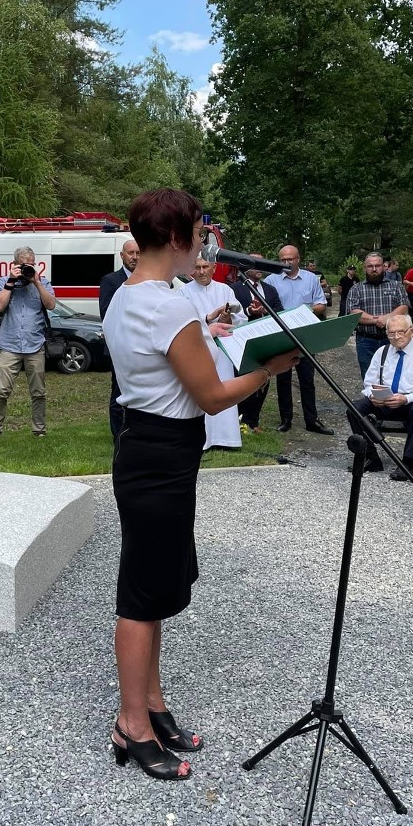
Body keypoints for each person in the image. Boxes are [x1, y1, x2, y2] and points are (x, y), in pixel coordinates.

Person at [103, 189, 299, 781]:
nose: (207, 244)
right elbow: (211, 395)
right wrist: (268, 370)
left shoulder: (132, 293)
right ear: (178, 239)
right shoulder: (169, 306)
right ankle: (130, 725)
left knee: (156, 583)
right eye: (201, 233)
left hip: (148, 446)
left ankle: (153, 705)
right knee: (141, 595)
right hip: (160, 454)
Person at [346, 314, 413, 481]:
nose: (396, 337)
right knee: (354, 409)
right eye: (391, 333)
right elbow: (369, 383)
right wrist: (373, 395)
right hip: (383, 402)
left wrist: (405, 398)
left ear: (412, 331)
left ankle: (407, 463)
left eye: (401, 332)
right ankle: (371, 456)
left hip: (408, 404)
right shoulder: (382, 352)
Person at [0, 246, 55, 438]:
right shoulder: (4, 282)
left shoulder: (42, 282)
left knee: (39, 392)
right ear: (15, 265)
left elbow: (51, 305)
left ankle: (39, 430)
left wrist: (37, 283)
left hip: (35, 345)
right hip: (10, 344)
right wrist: (11, 281)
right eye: (25, 265)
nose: (29, 268)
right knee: (2, 391)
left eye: (32, 264)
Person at [264, 245, 334, 434]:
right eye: (283, 260)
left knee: (307, 378)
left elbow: (321, 305)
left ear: (298, 259)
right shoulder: (271, 280)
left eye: (290, 259)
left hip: (305, 334)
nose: (286, 263)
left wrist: (304, 311)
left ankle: (311, 419)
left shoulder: (311, 279)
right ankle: (285, 419)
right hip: (281, 335)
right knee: (283, 379)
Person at [181, 254, 247, 450]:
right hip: (198, 348)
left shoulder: (225, 290)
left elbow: (241, 318)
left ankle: (226, 438)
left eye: (205, 267)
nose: (201, 272)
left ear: (214, 268)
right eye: (198, 267)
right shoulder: (184, 292)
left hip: (222, 348)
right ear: (191, 270)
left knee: (225, 386)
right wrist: (209, 317)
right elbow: (183, 321)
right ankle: (204, 439)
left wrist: (228, 318)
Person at [231, 257, 282, 433]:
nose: (260, 268)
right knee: (242, 378)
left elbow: (280, 311)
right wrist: (249, 311)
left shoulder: (270, 290)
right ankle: (238, 419)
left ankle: (253, 420)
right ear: (245, 266)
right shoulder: (234, 289)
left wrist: (266, 311)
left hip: (265, 340)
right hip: (242, 341)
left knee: (263, 379)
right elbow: (232, 312)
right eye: (255, 264)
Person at [99, 239, 140, 437]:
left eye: (138, 253)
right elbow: (106, 313)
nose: (134, 257)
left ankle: (136, 430)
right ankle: (118, 435)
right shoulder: (111, 281)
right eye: (130, 253)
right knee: (119, 392)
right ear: (122, 255)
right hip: (120, 345)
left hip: (142, 345)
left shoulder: (148, 279)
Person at [346, 253, 409, 379]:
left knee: (394, 377)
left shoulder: (396, 286)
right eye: (370, 266)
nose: (374, 269)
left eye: (377, 265)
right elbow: (353, 311)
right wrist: (377, 320)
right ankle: (372, 399)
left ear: (384, 267)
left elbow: (404, 307)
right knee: (369, 378)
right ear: (365, 268)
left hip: (392, 339)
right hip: (366, 342)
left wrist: (388, 318)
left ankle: (392, 399)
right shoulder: (356, 289)